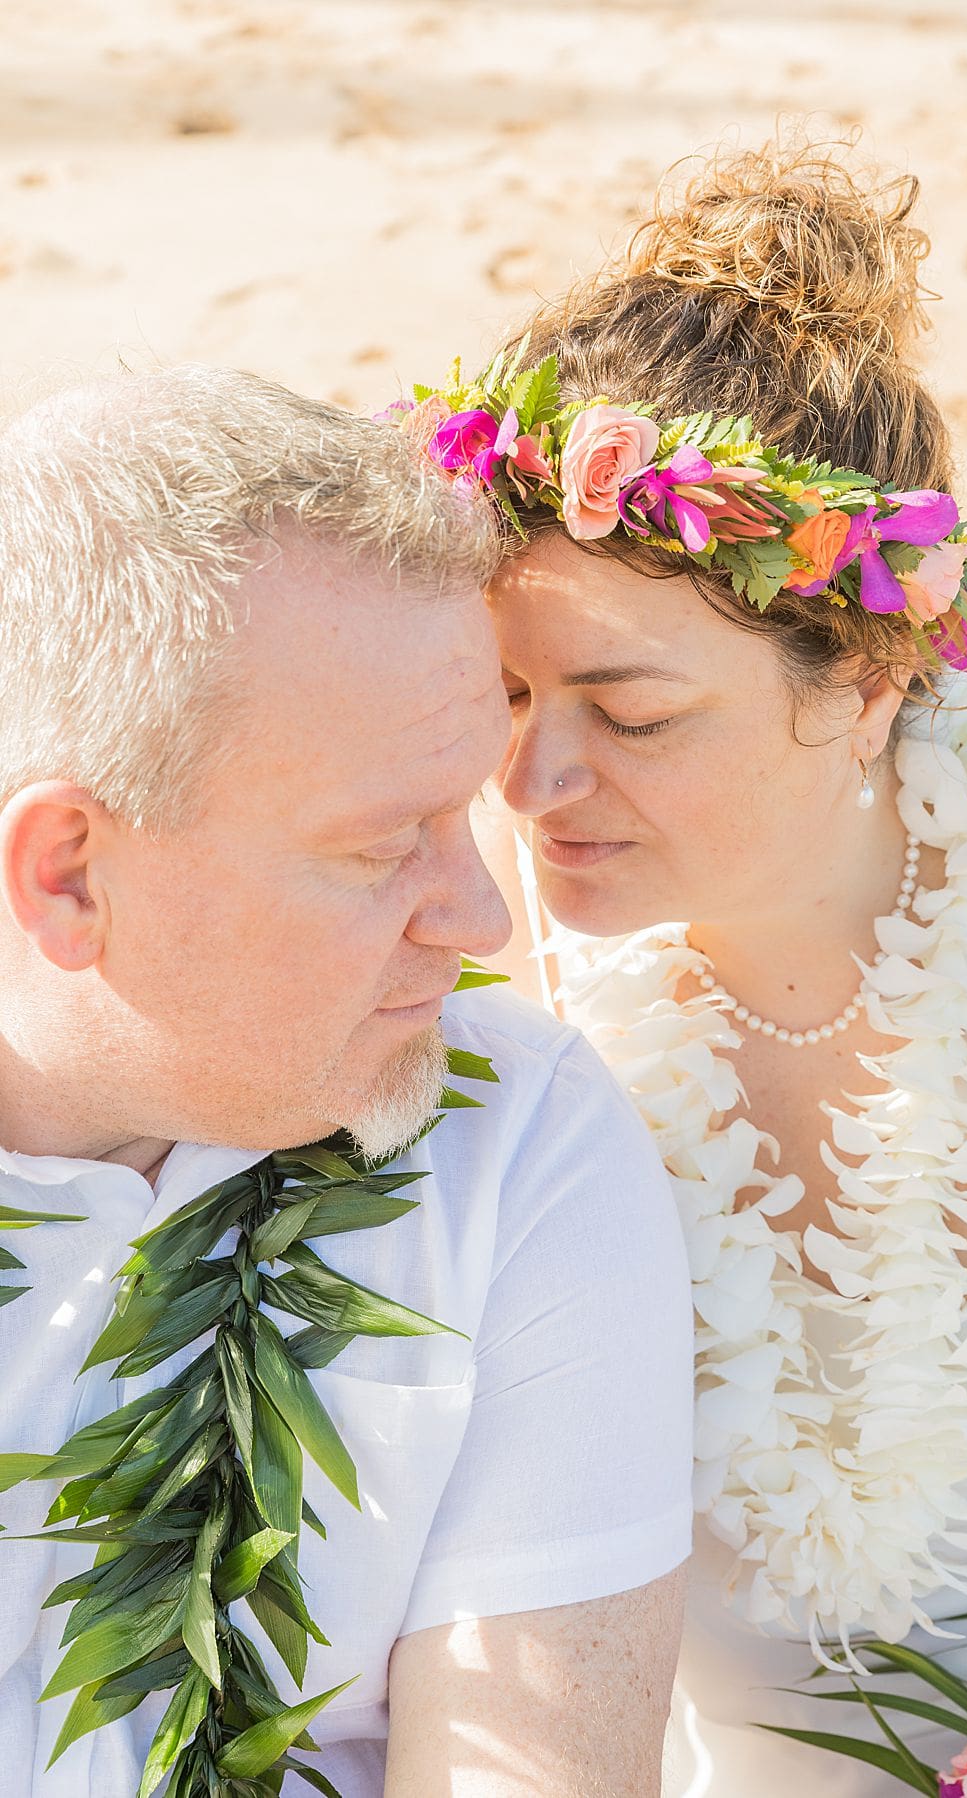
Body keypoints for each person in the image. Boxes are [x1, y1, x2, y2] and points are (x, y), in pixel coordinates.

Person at [419, 137, 967, 1795]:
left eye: (630, 715)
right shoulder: (461, 918)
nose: (529, 784)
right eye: (502, 693)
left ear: (865, 678)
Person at [0, 365, 694, 1798]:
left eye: (465, 812)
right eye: (386, 845)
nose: (481, 917)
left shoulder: (518, 1143)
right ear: (70, 873)